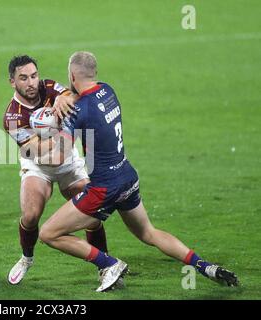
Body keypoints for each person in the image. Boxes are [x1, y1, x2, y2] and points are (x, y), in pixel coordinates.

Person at [39, 51, 239, 292]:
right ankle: (205, 266)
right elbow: (82, 95)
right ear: (94, 73)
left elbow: (59, 156)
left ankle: (109, 263)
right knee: (148, 233)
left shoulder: (77, 111)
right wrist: (65, 96)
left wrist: (31, 151)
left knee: (49, 233)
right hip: (127, 178)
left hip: (104, 188)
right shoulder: (107, 90)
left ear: (71, 75)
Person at [3, 55, 109, 285]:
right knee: (30, 215)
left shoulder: (49, 86)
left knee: (91, 216)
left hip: (69, 161)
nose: (31, 82)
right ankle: (26, 258)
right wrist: (62, 137)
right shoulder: (12, 117)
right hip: (39, 165)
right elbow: (37, 152)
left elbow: (72, 95)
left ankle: (105, 266)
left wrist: (66, 98)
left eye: (33, 75)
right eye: (23, 78)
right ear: (12, 82)